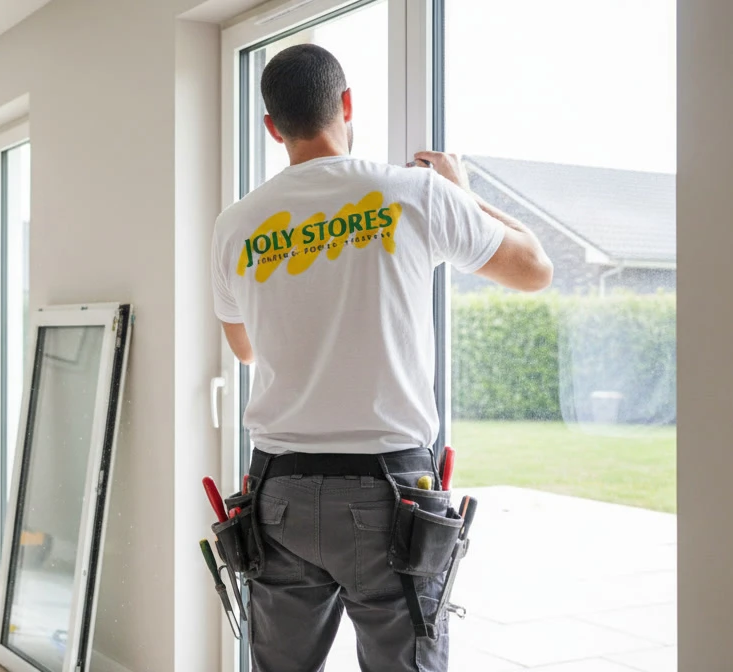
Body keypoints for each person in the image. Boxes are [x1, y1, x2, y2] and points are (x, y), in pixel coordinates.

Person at [209, 44, 552, 672]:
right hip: (390, 493)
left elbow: (245, 347)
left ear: (270, 127)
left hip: (278, 490)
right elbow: (534, 269)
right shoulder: (413, 193)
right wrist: (464, 193)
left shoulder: (236, 225)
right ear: (345, 104)